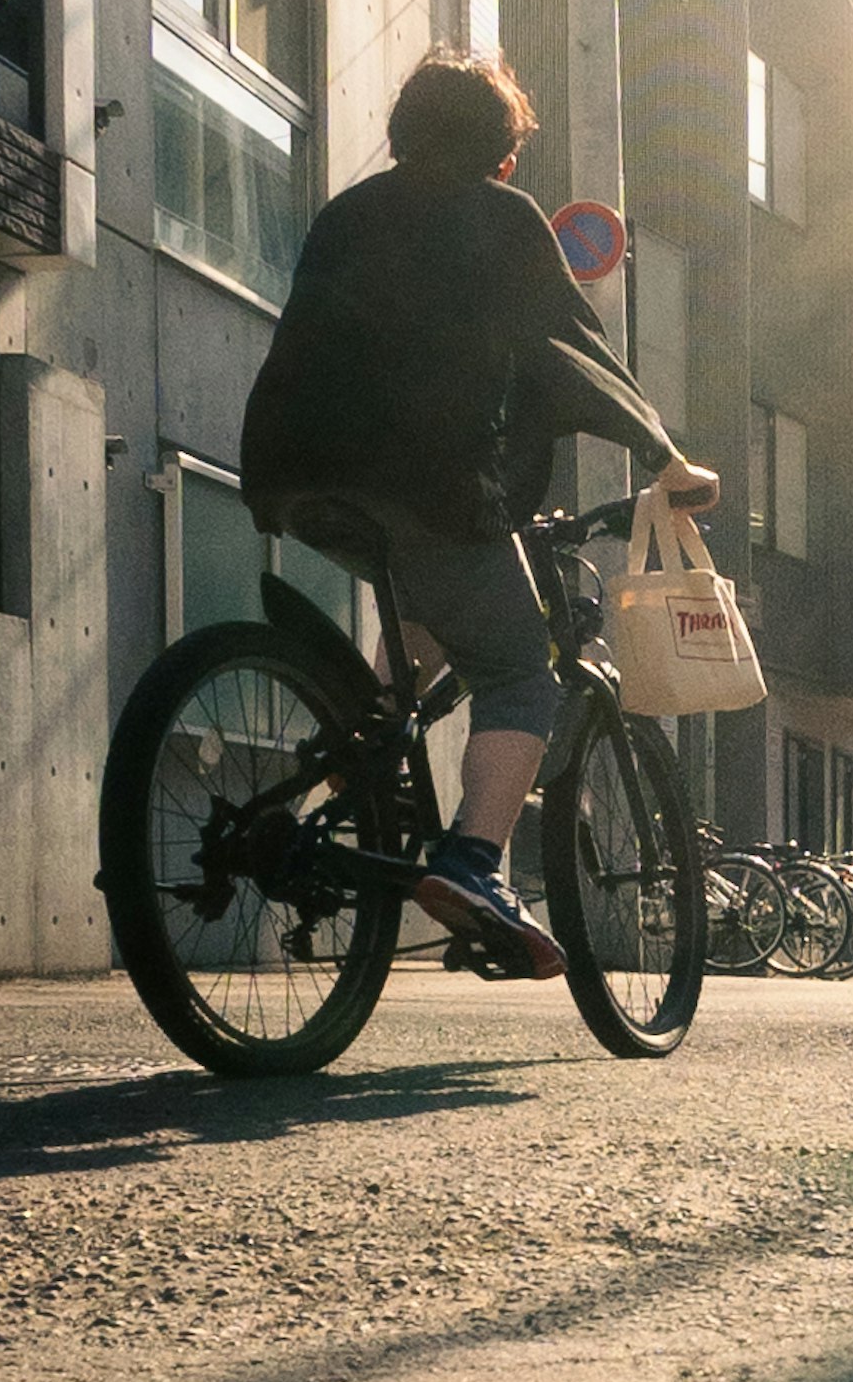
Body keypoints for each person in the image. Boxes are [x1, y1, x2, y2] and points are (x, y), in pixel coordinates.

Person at [238, 53, 716, 979]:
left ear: (404, 130)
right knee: (518, 672)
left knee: (422, 620)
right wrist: (666, 456)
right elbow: (571, 345)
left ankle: (360, 774)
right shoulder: (498, 216)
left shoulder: (351, 210)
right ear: (503, 155)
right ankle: (471, 865)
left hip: (293, 463)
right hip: (420, 474)